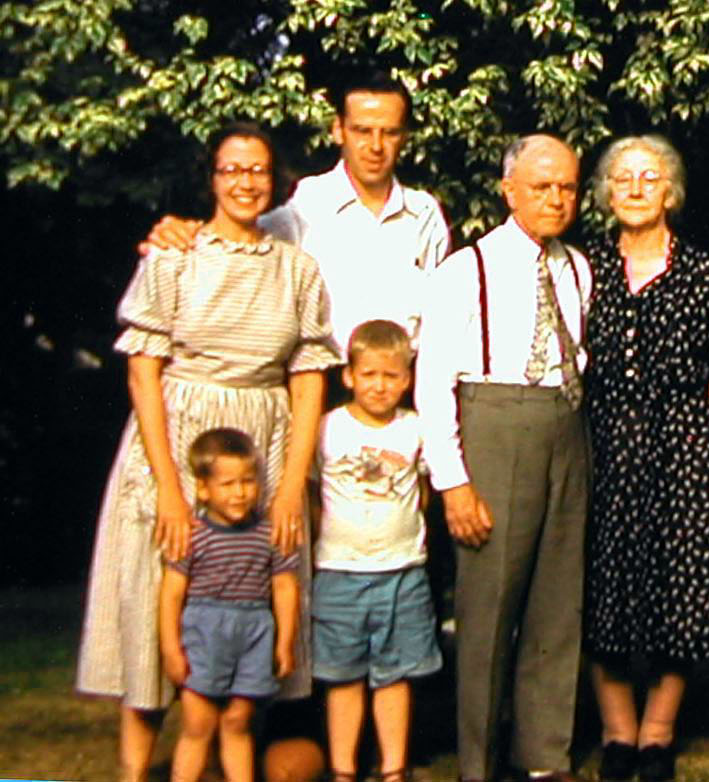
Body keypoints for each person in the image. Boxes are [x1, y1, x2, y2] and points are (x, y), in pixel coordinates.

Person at [76, 122, 339, 782]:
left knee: (254, 591)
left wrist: (291, 489)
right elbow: (143, 373)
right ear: (212, 178)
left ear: (275, 181)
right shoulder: (172, 258)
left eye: (258, 171)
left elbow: (308, 380)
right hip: (175, 438)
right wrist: (170, 488)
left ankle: (233, 760)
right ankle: (135, 772)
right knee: (153, 599)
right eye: (232, 170)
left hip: (264, 444)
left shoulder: (298, 270)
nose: (246, 183)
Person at [416, 134, 589, 782]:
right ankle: (479, 762)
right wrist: (453, 481)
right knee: (489, 608)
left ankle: (545, 757)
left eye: (567, 188)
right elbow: (433, 382)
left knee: (558, 600)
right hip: (493, 424)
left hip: (565, 426)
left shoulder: (578, 267)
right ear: (509, 190)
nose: (556, 199)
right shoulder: (467, 269)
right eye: (542, 187)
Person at [582, 135, 709, 782]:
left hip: (685, 444)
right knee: (604, 584)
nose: (636, 188)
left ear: (671, 191)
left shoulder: (704, 273)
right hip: (603, 443)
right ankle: (617, 730)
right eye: (623, 178)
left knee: (683, 584)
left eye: (650, 177)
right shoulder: (583, 267)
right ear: (606, 193)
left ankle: (658, 731)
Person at [144, 71, 451, 343]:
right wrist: (184, 233)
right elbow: (238, 241)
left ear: (404, 136)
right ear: (338, 130)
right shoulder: (306, 205)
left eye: (389, 132)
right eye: (362, 131)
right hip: (320, 376)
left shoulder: (424, 214)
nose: (375, 146)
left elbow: (440, 317)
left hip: (402, 380)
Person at [311, 320, 442, 782]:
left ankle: (393, 768)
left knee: (395, 675)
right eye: (369, 374)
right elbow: (311, 494)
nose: (379, 386)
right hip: (339, 572)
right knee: (343, 676)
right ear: (349, 375)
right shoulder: (328, 428)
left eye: (391, 376)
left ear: (407, 379)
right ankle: (343, 769)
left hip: (402, 571)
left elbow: (423, 494)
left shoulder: (415, 429)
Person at [161, 429, 301, 782]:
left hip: (254, 634)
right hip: (205, 633)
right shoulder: (193, 535)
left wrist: (285, 642)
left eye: (248, 482)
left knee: (238, 721)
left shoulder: (269, 533)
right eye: (227, 484)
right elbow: (171, 594)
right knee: (198, 723)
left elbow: (284, 587)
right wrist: (171, 649)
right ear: (203, 489)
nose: (239, 493)